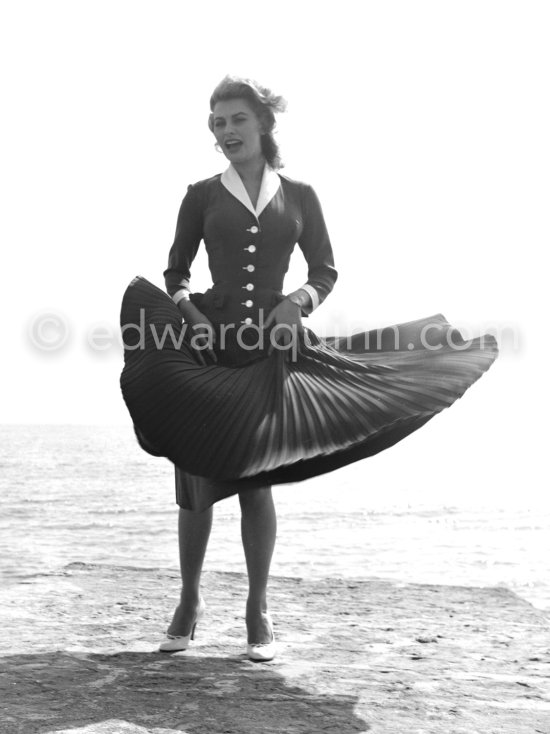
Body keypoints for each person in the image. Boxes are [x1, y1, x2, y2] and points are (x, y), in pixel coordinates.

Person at [119, 75, 498, 663]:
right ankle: (189, 602)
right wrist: (190, 311)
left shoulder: (300, 195)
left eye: (236, 120)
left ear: (263, 124)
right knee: (195, 481)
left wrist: (296, 303)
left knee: (256, 478)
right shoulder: (200, 194)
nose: (225, 132)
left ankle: (257, 609)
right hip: (211, 343)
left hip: (271, 349)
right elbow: (177, 272)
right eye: (217, 123)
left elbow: (324, 269)